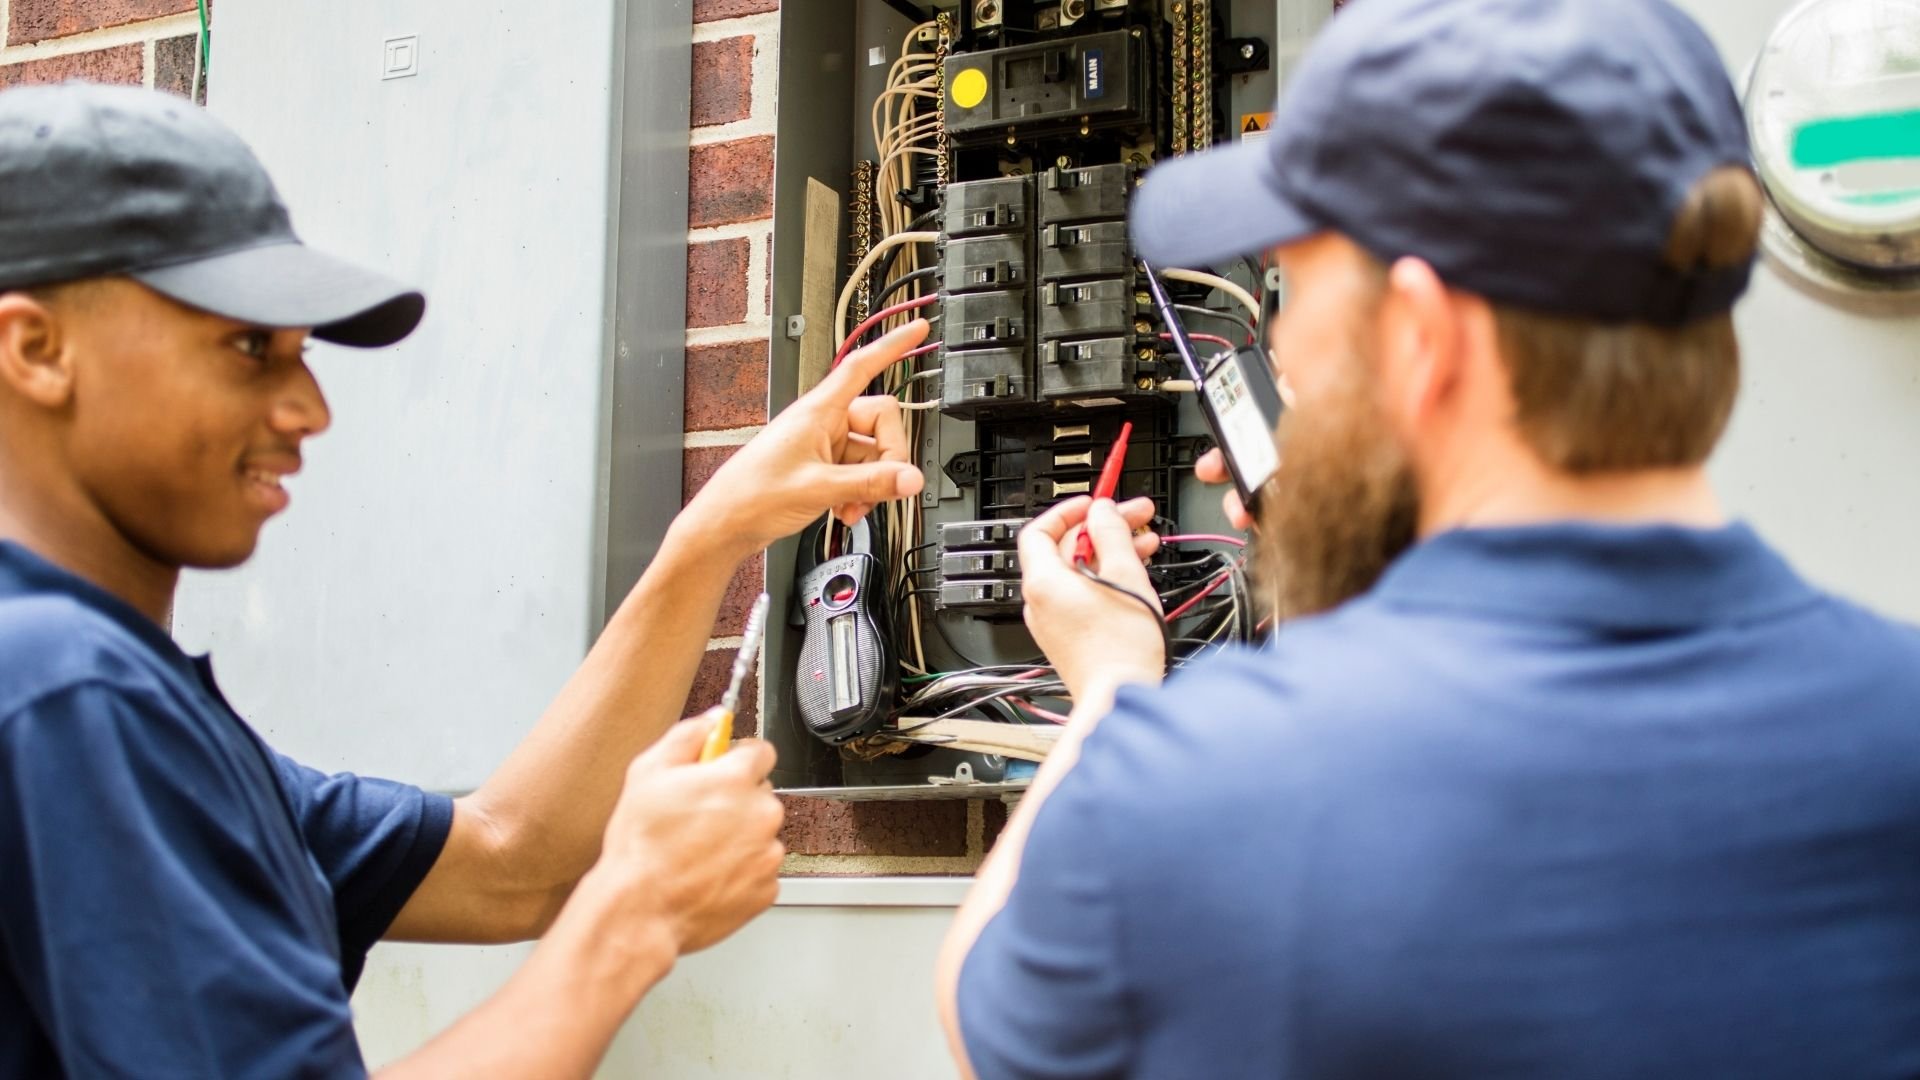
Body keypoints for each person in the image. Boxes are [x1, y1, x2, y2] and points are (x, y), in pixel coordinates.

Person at [937, 0, 1920, 1076]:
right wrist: (1347, 564)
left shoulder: (1206, 796)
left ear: (1421, 336)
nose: (1276, 345)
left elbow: (985, 1014)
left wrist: (1115, 686)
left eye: (1296, 292)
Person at [0, 83, 931, 1076]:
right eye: (245, 348)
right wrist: (629, 919)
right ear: (35, 349)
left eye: (299, 353)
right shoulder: (62, 686)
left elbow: (510, 862)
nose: (309, 408)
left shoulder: (126, 706)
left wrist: (713, 534)